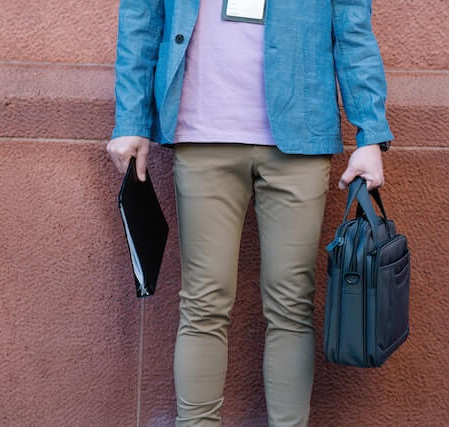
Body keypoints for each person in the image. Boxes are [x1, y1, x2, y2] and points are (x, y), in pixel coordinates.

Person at [106, 0, 393, 425]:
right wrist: (131, 119)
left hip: (300, 134)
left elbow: (352, 25)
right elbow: (142, 16)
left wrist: (370, 133)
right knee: (203, 303)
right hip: (202, 134)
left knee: (292, 305)